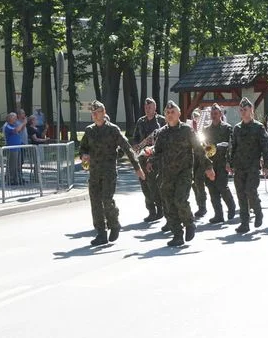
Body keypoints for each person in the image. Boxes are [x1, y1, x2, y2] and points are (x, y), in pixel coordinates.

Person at [147, 100, 214, 246]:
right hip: (167, 175)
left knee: (180, 200)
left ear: (179, 114)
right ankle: (177, 235)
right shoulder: (162, 133)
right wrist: (151, 161)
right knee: (169, 205)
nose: (170, 115)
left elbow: (198, 149)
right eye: (167, 113)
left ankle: (189, 223)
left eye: (172, 112)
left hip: (184, 173)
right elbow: (157, 152)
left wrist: (208, 167)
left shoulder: (186, 130)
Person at [79, 101, 145, 246]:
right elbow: (82, 148)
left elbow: (127, 148)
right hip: (94, 172)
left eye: (97, 112)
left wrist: (137, 167)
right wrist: (84, 155)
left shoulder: (113, 130)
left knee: (106, 200)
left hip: (109, 172)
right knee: (95, 203)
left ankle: (114, 224)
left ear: (104, 112)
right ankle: (101, 233)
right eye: (93, 113)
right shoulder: (89, 130)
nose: (95, 115)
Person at [229, 97, 268, 234]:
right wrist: (230, 163)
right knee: (241, 194)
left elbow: (265, 147)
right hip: (239, 167)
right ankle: (244, 223)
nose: (242, 112)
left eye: (245, 110)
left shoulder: (258, 127)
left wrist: (266, 165)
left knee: (250, 191)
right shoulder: (237, 128)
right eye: (241, 110)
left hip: (253, 166)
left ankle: (258, 212)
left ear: (251, 110)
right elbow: (232, 147)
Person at [132, 97, 166, 222]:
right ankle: (151, 211)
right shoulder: (140, 121)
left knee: (155, 184)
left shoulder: (162, 121)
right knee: (144, 184)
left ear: (155, 108)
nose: (147, 109)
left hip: (156, 157)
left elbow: (167, 137)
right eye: (146, 107)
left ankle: (161, 208)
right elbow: (135, 138)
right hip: (142, 156)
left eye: (150, 107)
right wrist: (136, 145)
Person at [203, 103, 237, 224]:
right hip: (211, 164)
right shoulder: (206, 130)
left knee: (222, 187)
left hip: (222, 163)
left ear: (221, 114)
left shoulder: (227, 128)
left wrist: (229, 162)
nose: (214, 116)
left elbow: (231, 145)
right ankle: (218, 215)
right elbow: (204, 146)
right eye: (212, 114)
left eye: (216, 113)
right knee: (212, 189)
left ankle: (231, 207)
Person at [191, 108, 208, 218]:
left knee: (199, 182)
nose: (195, 118)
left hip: (201, 158)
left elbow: (207, 144)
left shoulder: (204, 128)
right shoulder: (190, 128)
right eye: (194, 116)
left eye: (197, 116)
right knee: (194, 184)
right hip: (192, 158)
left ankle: (202, 207)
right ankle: (200, 205)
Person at [3, 112, 25, 185]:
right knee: (12, 165)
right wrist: (23, 123)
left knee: (18, 165)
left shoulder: (14, 125)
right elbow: (16, 130)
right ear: (10, 118)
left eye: (16, 117)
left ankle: (17, 179)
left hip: (18, 148)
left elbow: (20, 130)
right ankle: (10, 179)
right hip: (12, 149)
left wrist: (23, 124)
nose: (16, 119)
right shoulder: (8, 126)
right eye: (14, 118)